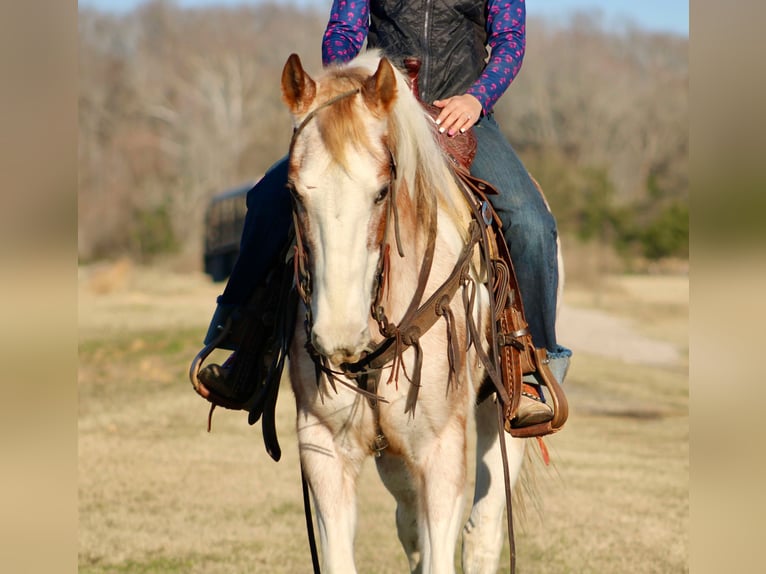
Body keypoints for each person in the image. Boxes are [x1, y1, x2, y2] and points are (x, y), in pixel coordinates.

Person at [198, 0, 571, 427]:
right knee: (267, 199)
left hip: (460, 117)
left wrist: (476, 99)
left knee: (530, 221)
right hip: (376, 111)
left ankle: (530, 369)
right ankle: (243, 344)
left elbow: (510, 42)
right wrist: (347, 91)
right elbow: (343, 30)